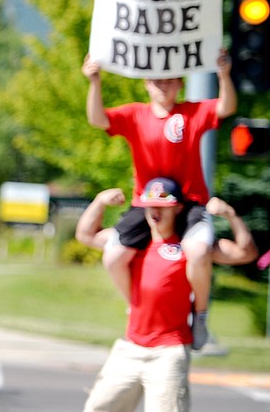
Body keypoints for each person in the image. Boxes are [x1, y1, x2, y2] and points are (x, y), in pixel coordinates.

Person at [53, 178, 257, 412]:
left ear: (177, 208)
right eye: (150, 207)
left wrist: (232, 216)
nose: (155, 213)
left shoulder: (192, 248)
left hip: (169, 349)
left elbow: (246, 252)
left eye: (162, 207)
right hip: (130, 346)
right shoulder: (134, 244)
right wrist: (101, 202)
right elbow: (86, 235)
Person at [82, 48, 237, 348]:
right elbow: (98, 119)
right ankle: (137, 306)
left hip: (189, 201)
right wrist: (94, 81)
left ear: (180, 83)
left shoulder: (191, 112)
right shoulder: (135, 114)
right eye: (156, 81)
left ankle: (200, 315)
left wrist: (224, 75)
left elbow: (225, 107)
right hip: (147, 202)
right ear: (146, 84)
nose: (163, 86)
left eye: (169, 80)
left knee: (198, 251)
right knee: (113, 256)